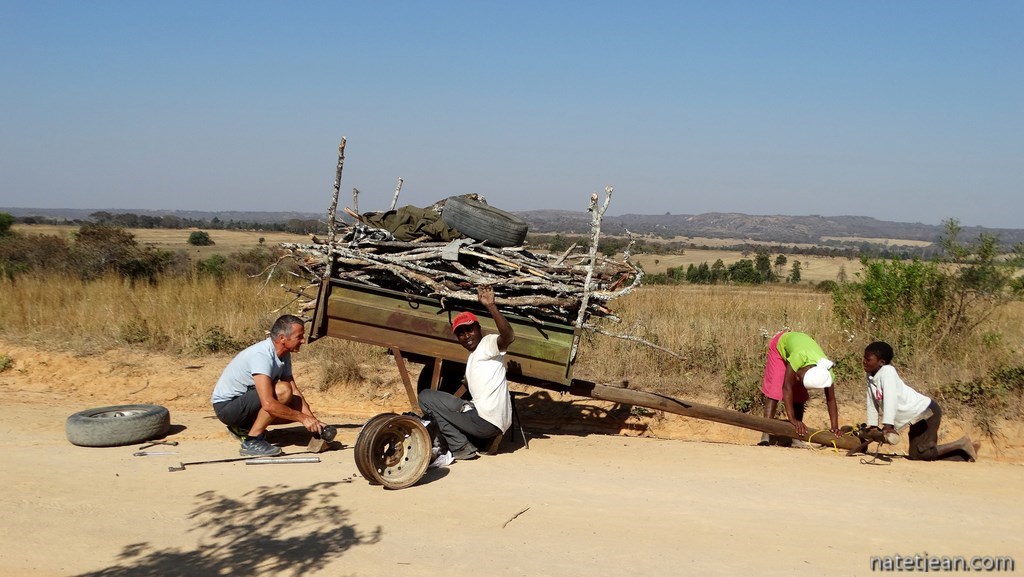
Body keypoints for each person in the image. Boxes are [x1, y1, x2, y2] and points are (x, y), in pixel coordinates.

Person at [418, 285, 515, 461]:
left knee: (425, 397)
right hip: (491, 419)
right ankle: (477, 440)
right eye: (461, 333)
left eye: (470, 329)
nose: (467, 336)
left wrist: (491, 306)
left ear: (479, 328)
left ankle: (461, 446)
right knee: (447, 406)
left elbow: (508, 337)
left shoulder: (487, 344)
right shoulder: (474, 357)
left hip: (485, 420)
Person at [211, 314, 326, 456]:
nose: (303, 341)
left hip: (244, 404)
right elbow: (268, 404)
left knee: (292, 401)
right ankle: (252, 441)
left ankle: (245, 428)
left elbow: (295, 392)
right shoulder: (261, 355)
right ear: (282, 338)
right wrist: (302, 418)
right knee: (282, 391)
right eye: (299, 337)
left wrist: (314, 422)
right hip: (227, 408)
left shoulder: (284, 354)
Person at [863, 341, 978, 461]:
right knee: (916, 455)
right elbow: (871, 401)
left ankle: (961, 444)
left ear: (881, 362)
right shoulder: (871, 375)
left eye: (868, 359)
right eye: (864, 358)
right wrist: (873, 425)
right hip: (915, 417)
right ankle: (966, 452)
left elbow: (890, 399)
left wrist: (888, 425)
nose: (864, 362)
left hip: (927, 411)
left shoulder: (888, 372)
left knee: (923, 451)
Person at [759, 330, 841, 444]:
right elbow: (786, 387)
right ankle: (765, 433)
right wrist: (792, 419)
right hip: (780, 347)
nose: (796, 378)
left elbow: (831, 399)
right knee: (775, 391)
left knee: (799, 394)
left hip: (801, 348)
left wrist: (835, 427)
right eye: (799, 376)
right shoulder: (799, 357)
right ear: (806, 369)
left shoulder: (827, 371)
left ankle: (796, 436)